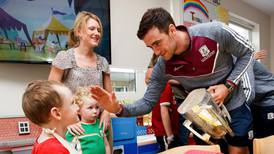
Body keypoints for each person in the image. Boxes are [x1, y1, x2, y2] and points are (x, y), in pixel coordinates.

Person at [90, 8, 254, 154]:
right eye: (150, 47)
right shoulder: (162, 66)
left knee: (237, 149)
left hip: (234, 104)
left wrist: (228, 86)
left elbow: (248, 52)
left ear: (172, 30)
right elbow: (147, 102)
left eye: (157, 43)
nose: (156, 51)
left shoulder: (214, 32)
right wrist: (118, 108)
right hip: (203, 117)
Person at [48, 11, 112, 132]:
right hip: (72, 125)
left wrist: (107, 112)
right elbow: (51, 94)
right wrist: (66, 120)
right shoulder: (64, 57)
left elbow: (110, 96)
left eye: (99, 30)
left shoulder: (103, 62)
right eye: (92, 29)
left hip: (98, 124)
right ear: (78, 32)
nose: (97, 33)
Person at [22, 80, 80, 154]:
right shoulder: (52, 149)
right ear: (56, 114)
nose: (78, 107)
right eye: (72, 103)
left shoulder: (50, 142)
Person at [66, 87, 111, 154]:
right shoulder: (75, 129)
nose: (95, 111)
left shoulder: (101, 124)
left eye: (97, 107)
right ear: (78, 111)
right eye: (90, 108)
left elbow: (106, 145)